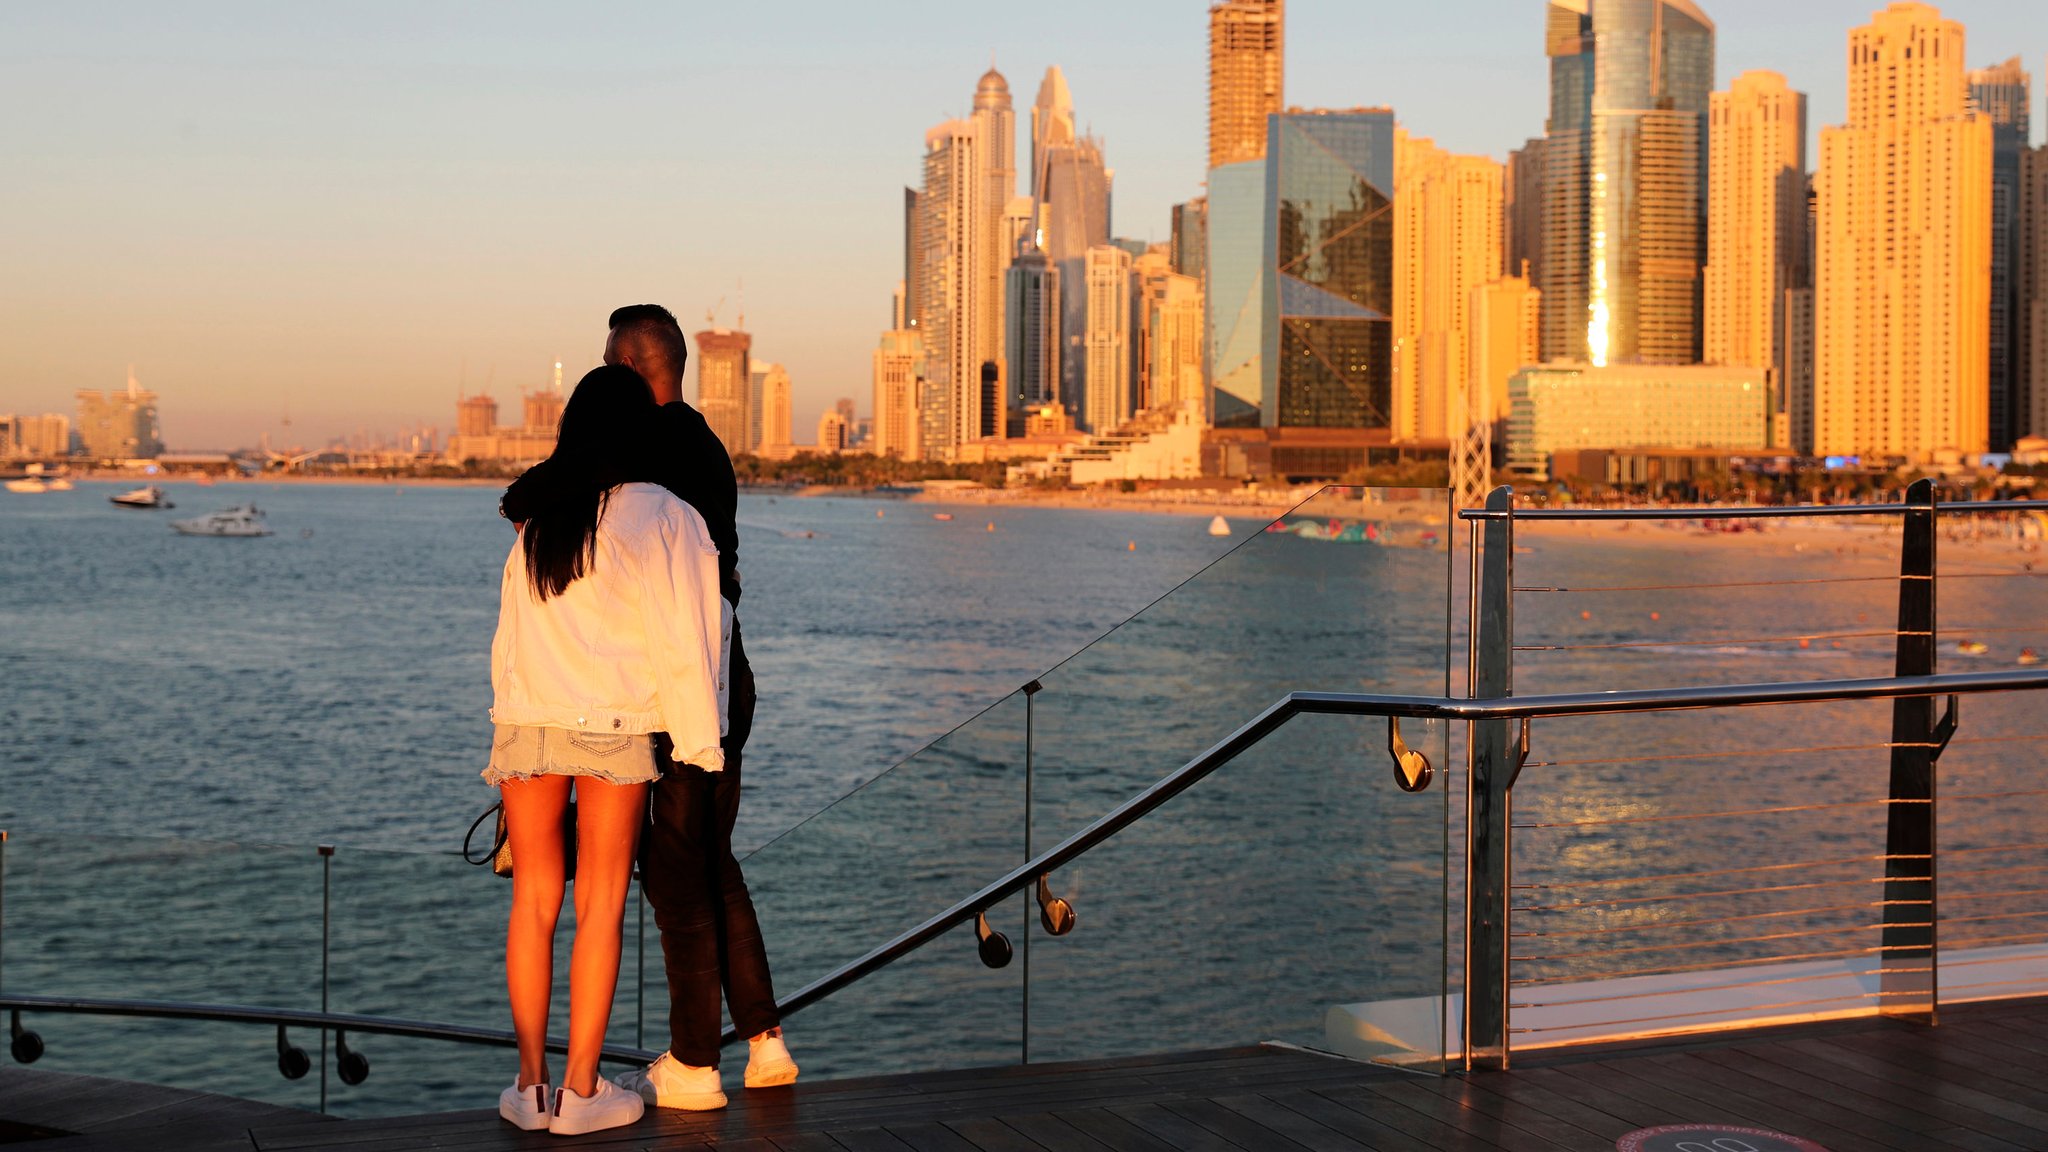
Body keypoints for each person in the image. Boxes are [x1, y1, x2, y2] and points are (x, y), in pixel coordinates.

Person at [506, 304, 796, 1114]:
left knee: (669, 872)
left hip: (669, 680)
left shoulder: (642, 449)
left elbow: (538, 495)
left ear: (629, 369)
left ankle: (692, 1065)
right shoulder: (702, 444)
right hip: (713, 669)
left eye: (606, 364)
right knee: (707, 859)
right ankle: (762, 1039)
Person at [485, 364, 728, 1136]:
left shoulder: (542, 523)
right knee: (601, 904)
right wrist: (699, 743)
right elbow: (687, 640)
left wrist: (511, 725)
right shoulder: (663, 513)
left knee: (534, 903)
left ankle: (530, 1089)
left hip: (528, 720)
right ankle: (583, 1094)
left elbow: (508, 641)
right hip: (615, 725)